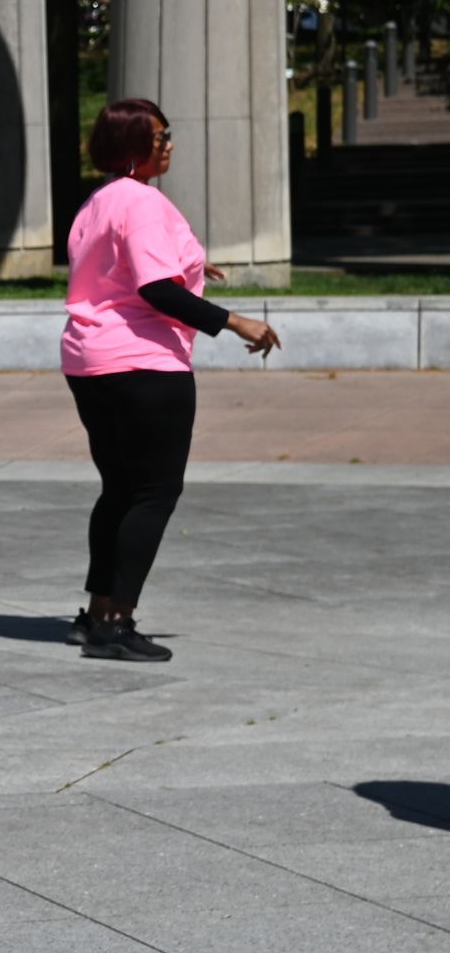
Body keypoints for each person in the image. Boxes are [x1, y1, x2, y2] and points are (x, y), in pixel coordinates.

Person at [62, 99, 281, 662]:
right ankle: (116, 624)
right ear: (134, 148)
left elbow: (120, 270)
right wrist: (236, 321)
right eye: (160, 137)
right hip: (144, 363)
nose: (169, 144)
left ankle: (96, 615)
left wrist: (194, 268)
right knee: (154, 492)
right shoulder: (142, 201)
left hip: (90, 360)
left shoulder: (98, 201)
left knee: (119, 488)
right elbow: (155, 289)